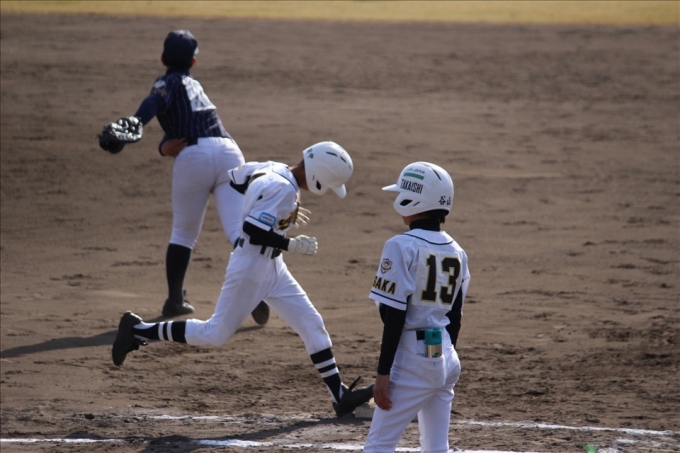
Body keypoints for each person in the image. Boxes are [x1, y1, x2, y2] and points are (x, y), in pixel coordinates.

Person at [112, 142, 375, 417]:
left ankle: (339, 396)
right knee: (215, 333)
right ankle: (138, 330)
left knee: (311, 322)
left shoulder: (273, 168)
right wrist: (289, 242)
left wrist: (271, 211)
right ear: (319, 175)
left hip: (273, 267)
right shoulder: (283, 188)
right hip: (250, 267)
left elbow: (238, 179)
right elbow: (251, 229)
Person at [112, 29, 269, 323]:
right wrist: (162, 147)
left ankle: (175, 301)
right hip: (230, 153)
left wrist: (136, 121)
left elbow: (154, 103)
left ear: (162, 58)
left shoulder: (167, 81)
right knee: (238, 231)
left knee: (184, 234)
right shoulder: (194, 86)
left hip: (194, 156)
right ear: (193, 62)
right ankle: (255, 290)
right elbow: (184, 129)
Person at [363, 162, 470, 452]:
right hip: (446, 355)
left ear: (414, 200)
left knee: (377, 446)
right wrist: (441, 360)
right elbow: (455, 315)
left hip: (412, 358)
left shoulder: (401, 246)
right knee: (436, 447)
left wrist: (383, 374)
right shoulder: (457, 251)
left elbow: (394, 315)